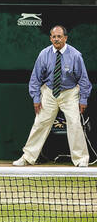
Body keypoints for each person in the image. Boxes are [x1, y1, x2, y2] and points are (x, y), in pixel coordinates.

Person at [13, 26, 91, 167]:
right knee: (40, 124)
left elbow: (83, 79)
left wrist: (83, 99)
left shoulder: (75, 55)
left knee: (74, 123)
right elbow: (35, 78)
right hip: (49, 92)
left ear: (65, 38)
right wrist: (36, 98)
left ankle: (81, 159)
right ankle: (28, 157)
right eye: (54, 37)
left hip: (70, 93)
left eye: (59, 36)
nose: (56, 39)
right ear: (50, 38)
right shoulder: (44, 54)